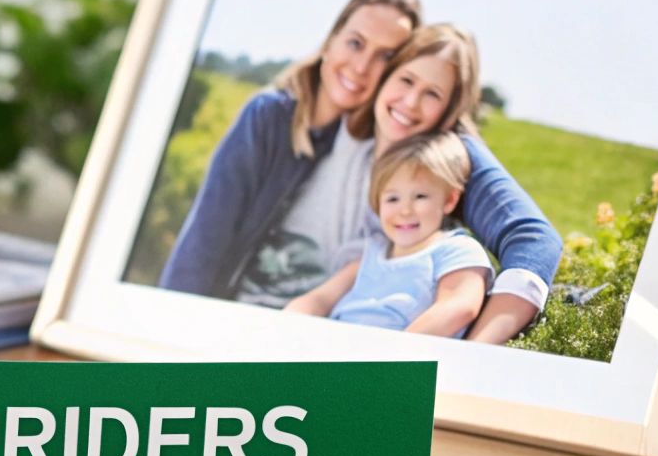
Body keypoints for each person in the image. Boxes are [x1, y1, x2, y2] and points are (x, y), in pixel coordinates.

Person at [161, 21, 560, 342]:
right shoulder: (337, 132)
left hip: (375, 346)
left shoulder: (445, 160)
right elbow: (209, 234)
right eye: (405, 81)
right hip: (284, 323)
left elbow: (534, 241)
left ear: (449, 109)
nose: (410, 103)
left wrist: (474, 352)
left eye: (432, 94)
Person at [158, 0, 422, 305]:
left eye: (385, 57)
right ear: (330, 41)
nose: (362, 67)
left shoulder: (381, 153)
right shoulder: (268, 118)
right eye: (355, 43)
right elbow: (203, 242)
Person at [283, 132, 493, 336]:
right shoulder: (371, 253)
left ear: (449, 201)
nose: (405, 211)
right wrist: (287, 321)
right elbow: (319, 299)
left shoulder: (455, 250)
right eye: (393, 199)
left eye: (420, 196)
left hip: (395, 361)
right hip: (338, 350)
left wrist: (393, 355)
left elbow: (459, 306)